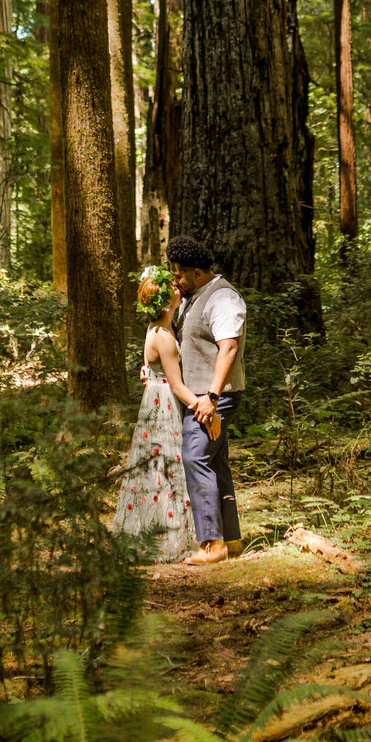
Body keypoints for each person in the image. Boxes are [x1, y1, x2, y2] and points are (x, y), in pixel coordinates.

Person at [167, 233, 247, 566]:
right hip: (200, 395)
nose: (176, 280)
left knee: (195, 455)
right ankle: (231, 539)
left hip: (216, 395)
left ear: (197, 272)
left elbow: (228, 347)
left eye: (180, 274)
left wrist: (211, 396)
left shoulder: (223, 298)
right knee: (215, 461)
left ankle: (211, 544)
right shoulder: (192, 296)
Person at [112, 265, 199, 563]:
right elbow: (176, 384)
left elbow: (150, 367)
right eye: (173, 287)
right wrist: (202, 405)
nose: (178, 288)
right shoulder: (162, 334)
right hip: (163, 401)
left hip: (156, 394)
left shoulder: (162, 327)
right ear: (165, 299)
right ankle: (167, 534)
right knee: (167, 463)